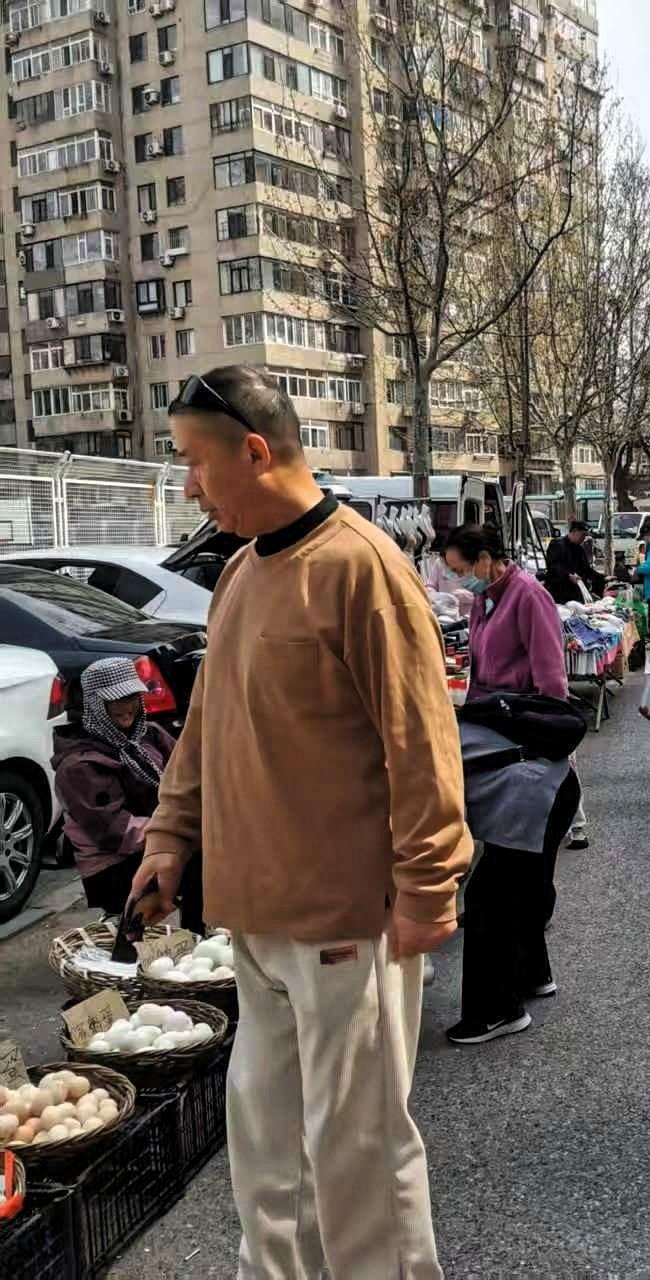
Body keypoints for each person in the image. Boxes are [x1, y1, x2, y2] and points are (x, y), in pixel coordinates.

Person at [132, 366, 471, 1280]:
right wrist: (170, 836)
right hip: (255, 917)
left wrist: (428, 889)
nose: (189, 487)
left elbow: (422, 746)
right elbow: (210, 725)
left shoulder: (362, 568)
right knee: (267, 1144)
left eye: (195, 464)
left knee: (357, 1150)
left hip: (347, 924)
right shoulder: (243, 568)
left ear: (252, 451)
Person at [442, 523, 583, 1042]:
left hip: (528, 748)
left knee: (495, 893)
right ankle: (532, 975)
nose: (460, 581)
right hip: (500, 738)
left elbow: (552, 687)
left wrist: (522, 725)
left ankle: (499, 1008)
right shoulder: (485, 602)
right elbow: (482, 673)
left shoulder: (530, 597)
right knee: (520, 880)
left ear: (486, 559)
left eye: (462, 570)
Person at [53, 658, 203, 930]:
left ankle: (199, 936)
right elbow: (115, 832)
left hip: (154, 842)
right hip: (114, 863)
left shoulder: (149, 735)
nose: (127, 707)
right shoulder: (78, 765)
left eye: (132, 697)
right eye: (115, 700)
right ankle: (196, 940)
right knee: (198, 864)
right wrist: (178, 833)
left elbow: (187, 775)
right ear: (95, 706)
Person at [544, 519, 604, 606]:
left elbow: (586, 570)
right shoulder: (557, 544)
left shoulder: (579, 549)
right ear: (574, 531)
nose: (584, 538)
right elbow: (554, 566)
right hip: (558, 592)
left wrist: (603, 578)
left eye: (585, 536)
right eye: (582, 535)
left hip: (575, 593)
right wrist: (568, 575)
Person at [421, 530, 476, 614]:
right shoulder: (439, 563)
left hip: (469, 615)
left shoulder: (475, 568)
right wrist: (437, 596)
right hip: (444, 613)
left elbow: (485, 596)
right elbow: (430, 585)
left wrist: (468, 596)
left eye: (459, 569)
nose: (456, 572)